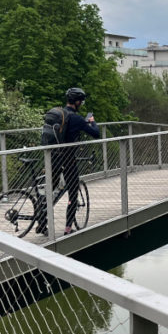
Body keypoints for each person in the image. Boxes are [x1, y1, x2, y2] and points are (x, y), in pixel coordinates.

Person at [39, 87, 101, 235]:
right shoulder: (77, 119)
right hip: (68, 159)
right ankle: (68, 228)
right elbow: (96, 134)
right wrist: (92, 122)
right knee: (73, 191)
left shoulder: (59, 114)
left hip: (52, 156)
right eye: (81, 102)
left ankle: (41, 223)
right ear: (78, 102)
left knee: (50, 190)